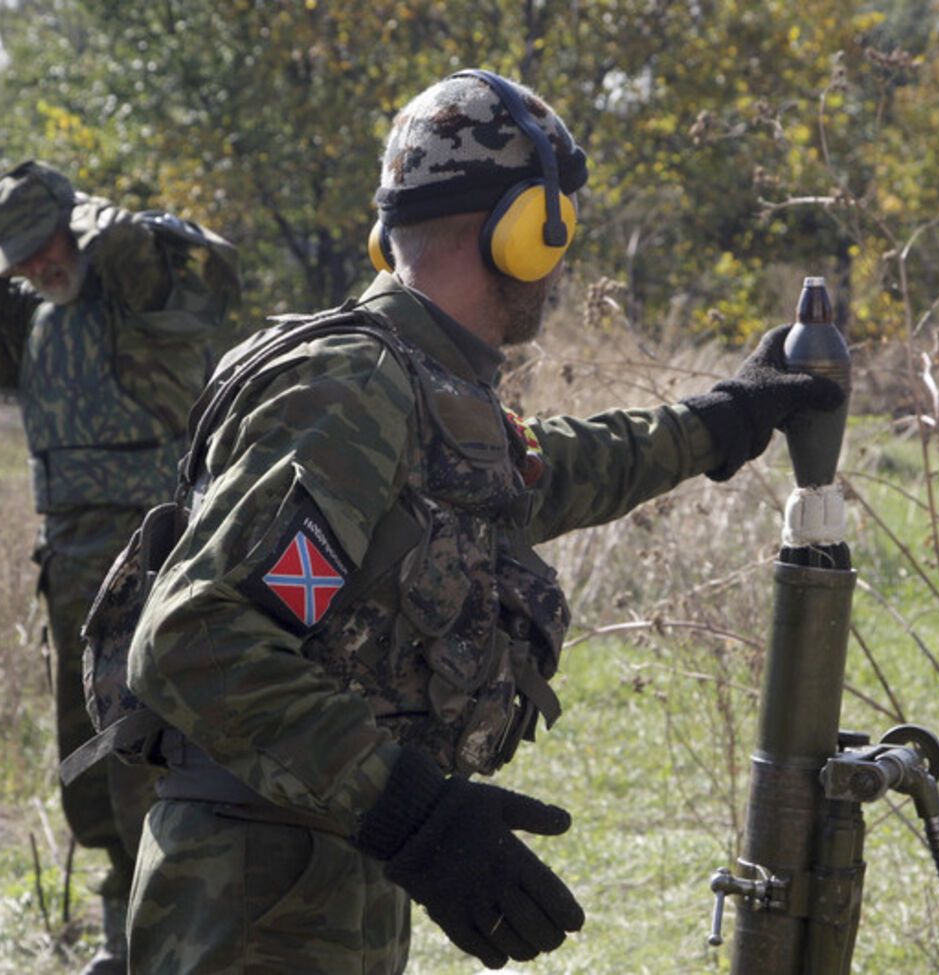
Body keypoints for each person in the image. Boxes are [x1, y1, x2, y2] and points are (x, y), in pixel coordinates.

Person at [124, 69, 843, 974]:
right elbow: (193, 637)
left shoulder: (422, 388)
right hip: (254, 901)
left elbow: (546, 473)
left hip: (310, 872)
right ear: (528, 230)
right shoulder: (351, 388)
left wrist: (723, 419)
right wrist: (414, 813)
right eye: (563, 227)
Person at [0, 159, 242, 975]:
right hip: (71, 564)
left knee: (149, 747)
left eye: (43, 246)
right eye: (18, 258)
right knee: (90, 757)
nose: (36, 266)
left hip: (153, 549)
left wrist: (82, 219)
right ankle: (128, 937)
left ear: (76, 223)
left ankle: (185, 941)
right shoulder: (33, 315)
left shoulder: (135, 283)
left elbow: (140, 246)